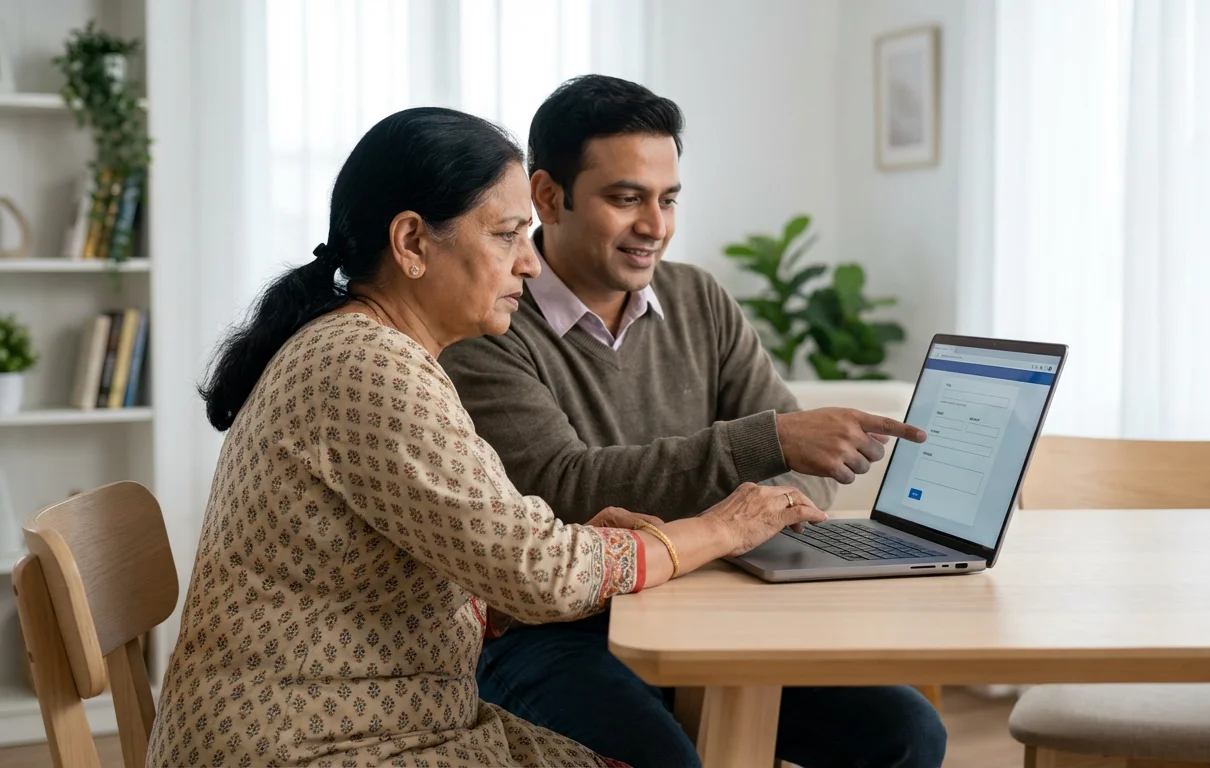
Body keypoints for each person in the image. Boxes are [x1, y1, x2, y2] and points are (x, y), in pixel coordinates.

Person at [146, 106, 827, 768]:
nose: (527, 265)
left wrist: (594, 544)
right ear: (412, 243)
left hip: (369, 720)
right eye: (505, 236)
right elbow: (542, 573)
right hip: (313, 744)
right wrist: (718, 531)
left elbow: (467, 557)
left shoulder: (372, 349)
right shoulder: (368, 365)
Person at [440, 76, 946, 768]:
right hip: (555, 628)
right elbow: (559, 490)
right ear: (547, 197)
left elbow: (806, 471)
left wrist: (754, 490)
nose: (656, 226)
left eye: (668, 199)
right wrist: (759, 450)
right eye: (626, 199)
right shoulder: (491, 320)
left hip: (707, 602)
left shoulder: (698, 298)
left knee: (910, 733)